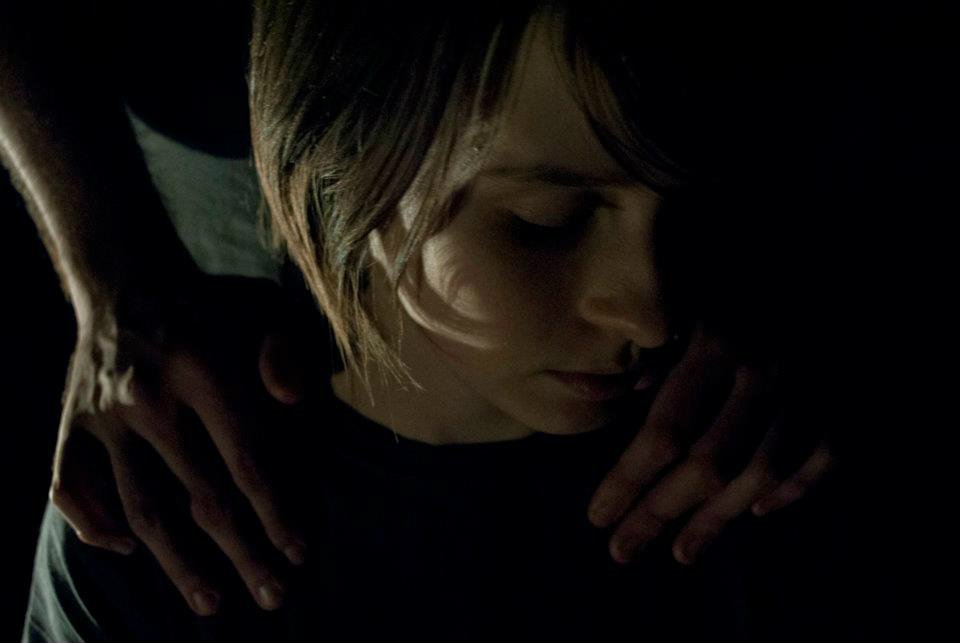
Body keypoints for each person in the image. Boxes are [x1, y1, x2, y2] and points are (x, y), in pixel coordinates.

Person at [5, 0, 845, 640]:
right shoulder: (161, 520)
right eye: (547, 222)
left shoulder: (749, 482)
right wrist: (112, 279)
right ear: (344, 159)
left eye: (691, 215)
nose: (652, 317)